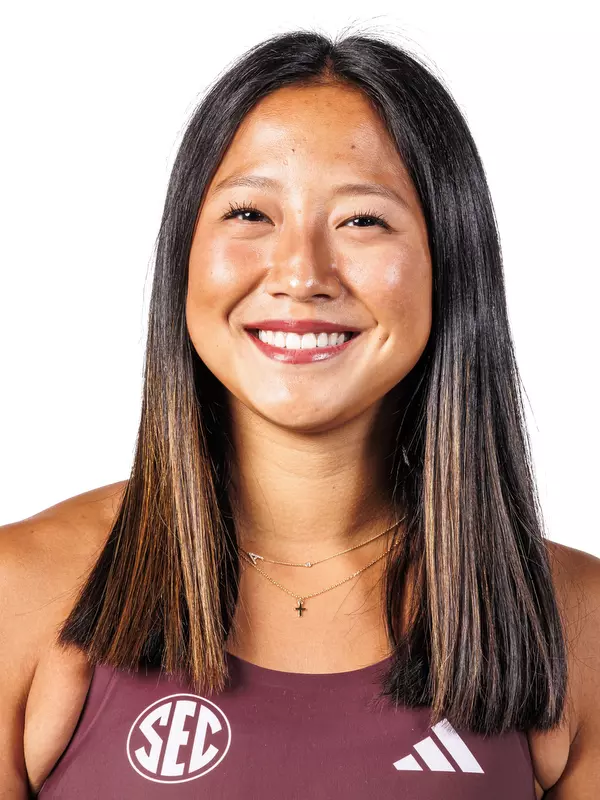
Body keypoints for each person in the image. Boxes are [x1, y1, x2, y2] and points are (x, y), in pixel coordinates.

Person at [1, 29, 598, 799]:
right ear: (185, 253)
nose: (301, 274)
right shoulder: (21, 593)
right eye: (251, 214)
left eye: (362, 221)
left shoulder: (572, 624)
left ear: (450, 261)